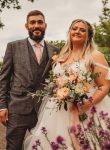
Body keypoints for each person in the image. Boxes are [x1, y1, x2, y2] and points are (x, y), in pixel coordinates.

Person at [23, 19, 110, 150]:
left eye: (82, 30)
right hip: (58, 110)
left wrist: (83, 106)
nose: (77, 31)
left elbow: (104, 86)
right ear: (69, 32)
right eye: (74, 28)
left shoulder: (95, 56)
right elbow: (55, 83)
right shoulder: (61, 56)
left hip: (88, 107)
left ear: (89, 35)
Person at [0, 10, 59, 150]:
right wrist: (2, 106)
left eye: (40, 22)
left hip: (44, 110)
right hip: (18, 108)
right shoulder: (13, 47)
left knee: (44, 146)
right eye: (32, 22)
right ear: (26, 26)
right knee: (13, 147)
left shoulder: (55, 50)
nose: (36, 25)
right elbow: (4, 79)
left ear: (45, 25)